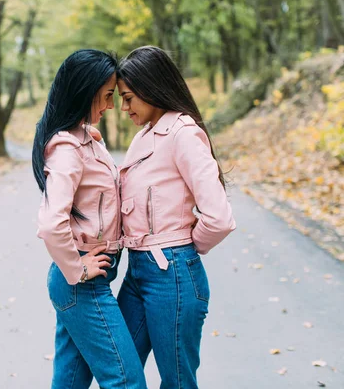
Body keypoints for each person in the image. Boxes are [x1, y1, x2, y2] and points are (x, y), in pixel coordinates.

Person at [116, 45, 236, 389]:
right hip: (137, 271)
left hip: (173, 273)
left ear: (151, 88)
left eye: (128, 98)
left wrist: (183, 246)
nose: (124, 108)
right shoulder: (145, 136)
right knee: (121, 372)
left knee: (178, 381)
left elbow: (219, 217)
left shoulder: (183, 134)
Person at [33, 49, 146, 388]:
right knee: (126, 381)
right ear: (86, 89)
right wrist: (77, 268)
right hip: (81, 284)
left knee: (69, 382)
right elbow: (52, 222)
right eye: (108, 95)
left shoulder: (88, 140)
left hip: (84, 280)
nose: (112, 105)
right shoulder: (68, 149)